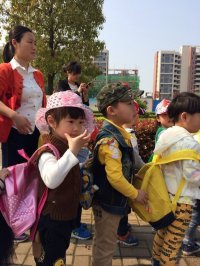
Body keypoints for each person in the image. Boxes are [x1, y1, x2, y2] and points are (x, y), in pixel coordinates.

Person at [34, 90, 94, 265]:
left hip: (65, 217)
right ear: (52, 121)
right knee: (53, 258)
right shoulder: (48, 150)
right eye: (70, 121)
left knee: (58, 255)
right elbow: (52, 179)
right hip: (52, 220)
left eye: (80, 122)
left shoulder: (67, 147)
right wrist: (73, 151)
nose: (76, 128)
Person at [92, 83, 148, 266]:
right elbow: (114, 177)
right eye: (129, 103)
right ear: (111, 110)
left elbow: (125, 163)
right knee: (105, 245)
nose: (134, 107)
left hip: (113, 201)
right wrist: (135, 193)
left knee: (105, 242)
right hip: (107, 203)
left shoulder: (120, 134)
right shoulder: (110, 140)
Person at [0, 25, 46, 245]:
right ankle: (12, 224)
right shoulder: (5, 70)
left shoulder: (38, 75)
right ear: (15, 43)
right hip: (14, 134)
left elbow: (42, 104)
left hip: (35, 134)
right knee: (13, 180)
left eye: (35, 42)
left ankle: (28, 220)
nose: (34, 46)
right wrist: (14, 116)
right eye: (30, 41)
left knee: (31, 178)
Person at [152, 92, 200, 266]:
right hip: (182, 203)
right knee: (173, 243)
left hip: (164, 198)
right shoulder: (191, 143)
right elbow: (193, 176)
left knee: (162, 234)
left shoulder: (165, 135)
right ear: (185, 116)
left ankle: (155, 262)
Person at [117, 100, 145, 246]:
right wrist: (144, 168)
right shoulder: (129, 135)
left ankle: (122, 228)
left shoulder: (121, 132)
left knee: (123, 205)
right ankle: (122, 233)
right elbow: (135, 158)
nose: (138, 118)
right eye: (137, 115)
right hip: (124, 178)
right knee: (123, 206)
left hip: (123, 175)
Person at [182, 131, 200, 256]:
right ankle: (187, 243)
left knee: (193, 215)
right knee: (195, 216)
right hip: (196, 186)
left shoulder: (194, 137)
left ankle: (187, 241)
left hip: (193, 187)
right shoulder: (195, 140)